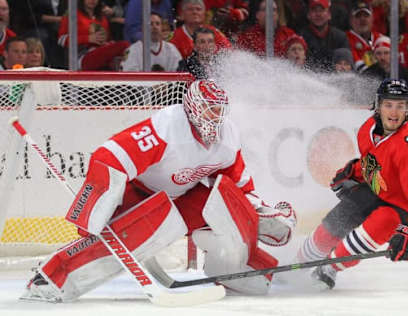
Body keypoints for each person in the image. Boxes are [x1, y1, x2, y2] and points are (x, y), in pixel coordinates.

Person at [21, 79, 297, 302]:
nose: (215, 118)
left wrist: (258, 211)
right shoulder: (167, 129)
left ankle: (238, 271)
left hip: (177, 199)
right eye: (209, 109)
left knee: (222, 200)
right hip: (135, 196)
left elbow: (238, 186)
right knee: (154, 226)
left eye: (219, 111)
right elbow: (109, 157)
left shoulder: (229, 138)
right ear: (192, 106)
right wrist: (92, 211)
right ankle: (53, 277)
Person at [296, 79, 408, 289]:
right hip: (377, 191)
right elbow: (376, 165)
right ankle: (297, 263)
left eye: (400, 105)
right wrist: (354, 172)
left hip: (402, 207)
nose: (394, 112)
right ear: (378, 105)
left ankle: (330, 268)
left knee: (381, 223)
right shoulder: (367, 129)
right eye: (389, 105)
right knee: (332, 226)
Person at [57, 0, 130, 70]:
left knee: (125, 49)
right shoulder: (72, 15)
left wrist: (109, 43)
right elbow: (61, 40)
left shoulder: (102, 17)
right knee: (123, 45)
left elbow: (107, 39)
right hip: (81, 57)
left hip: (100, 52)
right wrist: (87, 39)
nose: (92, 0)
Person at [297, 0, 350, 72]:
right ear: (308, 15)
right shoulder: (300, 37)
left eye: (322, 10)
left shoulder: (340, 37)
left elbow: (346, 65)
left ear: (329, 15)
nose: (318, 14)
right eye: (314, 11)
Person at [362, 36, 408, 103]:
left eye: (386, 53)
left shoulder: (407, 74)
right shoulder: (368, 73)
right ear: (374, 55)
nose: (382, 57)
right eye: (378, 53)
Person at [346, 1, 384, 73]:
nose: (362, 19)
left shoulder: (380, 38)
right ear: (351, 20)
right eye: (358, 16)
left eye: (366, 15)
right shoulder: (345, 39)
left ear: (372, 18)